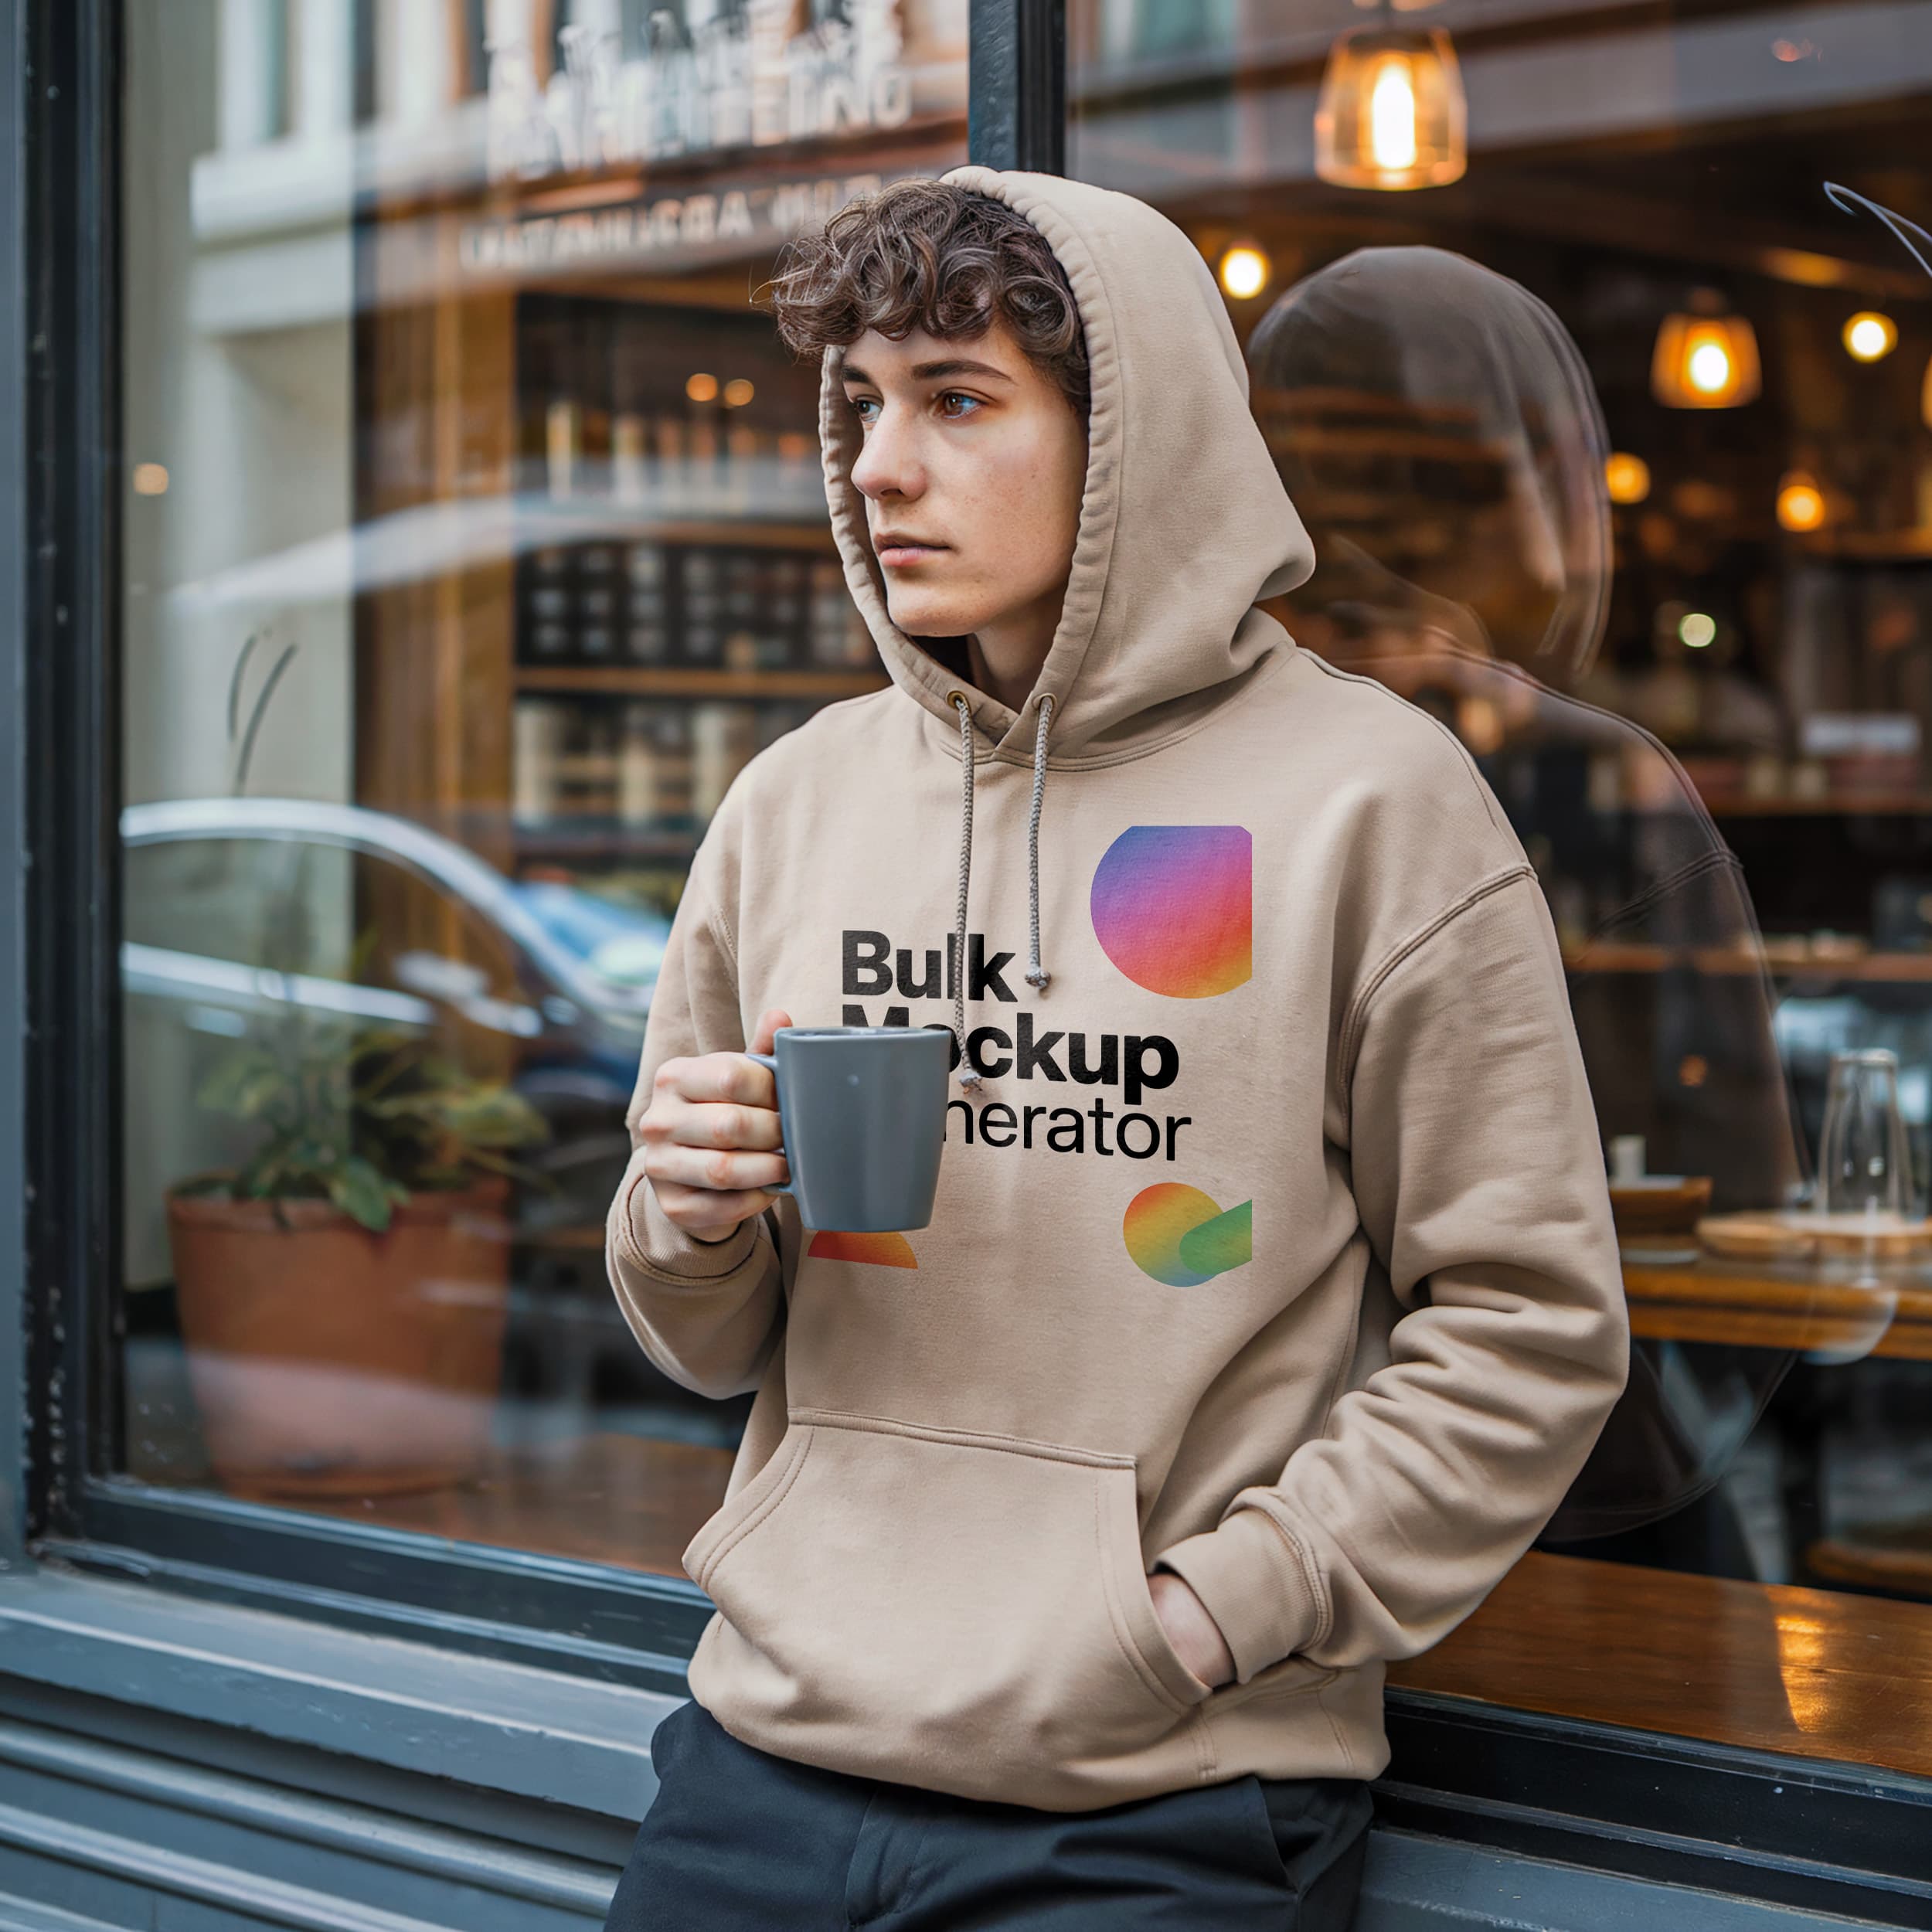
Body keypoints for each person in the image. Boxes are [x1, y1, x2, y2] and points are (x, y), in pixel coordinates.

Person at [600, 170, 1630, 1930]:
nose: (876, 466)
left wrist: (1214, 1609)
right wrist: (682, 1217)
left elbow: (1528, 1327)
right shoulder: (796, 803)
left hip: (1158, 1808)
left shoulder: (1369, 804)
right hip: (761, 1753)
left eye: (956, 400)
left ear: (1128, 434)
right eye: (860, 405)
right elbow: (705, 1341)